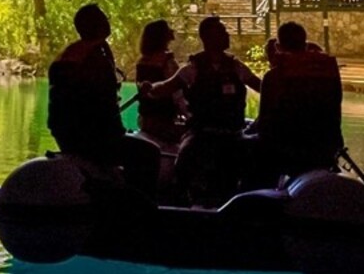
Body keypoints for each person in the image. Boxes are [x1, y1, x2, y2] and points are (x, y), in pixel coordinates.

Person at [142, 16, 262, 203]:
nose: (226, 34)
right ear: (207, 37)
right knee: (184, 162)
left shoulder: (237, 67)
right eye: (221, 31)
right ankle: (179, 200)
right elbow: (166, 87)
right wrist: (150, 89)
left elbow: (262, 86)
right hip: (202, 134)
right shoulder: (192, 69)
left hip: (234, 134)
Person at [47, 4, 160, 198]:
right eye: (104, 17)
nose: (108, 20)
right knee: (149, 154)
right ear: (97, 25)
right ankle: (140, 206)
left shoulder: (68, 54)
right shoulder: (95, 59)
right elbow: (103, 106)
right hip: (91, 140)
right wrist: (116, 133)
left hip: (66, 136)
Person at [251, 20, 343, 184]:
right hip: (325, 146)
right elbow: (336, 107)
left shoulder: (273, 76)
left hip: (286, 150)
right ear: (305, 44)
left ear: (278, 47)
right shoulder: (328, 73)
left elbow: (265, 121)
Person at [135, 19, 183, 144]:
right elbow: (177, 92)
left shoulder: (142, 62)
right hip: (164, 119)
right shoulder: (167, 62)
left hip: (146, 118)